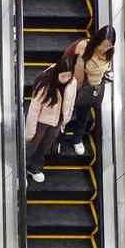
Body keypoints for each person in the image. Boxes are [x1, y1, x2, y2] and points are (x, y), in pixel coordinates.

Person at [62, 25, 115, 156]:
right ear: (97, 40)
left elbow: (107, 68)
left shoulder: (109, 53)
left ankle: (77, 139)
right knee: (64, 112)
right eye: (103, 45)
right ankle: (58, 137)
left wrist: (107, 74)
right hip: (75, 86)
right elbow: (66, 57)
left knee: (83, 116)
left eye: (108, 46)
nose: (104, 49)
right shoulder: (84, 47)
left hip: (90, 90)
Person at [24, 52, 78, 183]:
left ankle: (35, 168)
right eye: (63, 75)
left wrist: (66, 119)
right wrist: (30, 132)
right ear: (57, 72)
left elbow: (71, 101)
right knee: (31, 147)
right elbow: (33, 111)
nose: (66, 78)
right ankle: (21, 171)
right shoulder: (45, 85)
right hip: (41, 122)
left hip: (57, 122)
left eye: (69, 75)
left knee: (45, 146)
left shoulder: (72, 82)